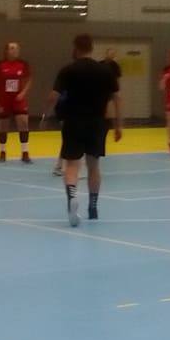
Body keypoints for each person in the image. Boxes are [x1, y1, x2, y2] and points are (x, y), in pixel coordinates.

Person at [48, 34, 121, 227]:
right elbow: (117, 98)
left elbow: (53, 96)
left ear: (76, 48)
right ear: (91, 47)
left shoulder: (68, 70)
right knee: (93, 166)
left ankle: (72, 197)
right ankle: (93, 207)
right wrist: (118, 125)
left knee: (72, 165)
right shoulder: (105, 71)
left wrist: (45, 115)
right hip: (97, 123)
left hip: (73, 122)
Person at [0, 41, 33, 164]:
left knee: (23, 122)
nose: (15, 50)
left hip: (18, 99)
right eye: (12, 48)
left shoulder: (23, 64)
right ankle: (2, 152)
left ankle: (25, 152)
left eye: (17, 48)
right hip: (3, 99)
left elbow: (29, 79)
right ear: (6, 51)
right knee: (2, 126)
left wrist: (23, 93)